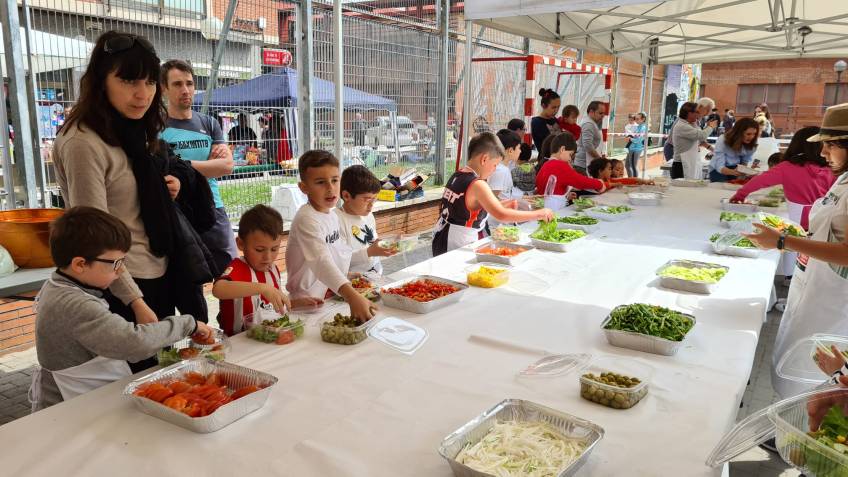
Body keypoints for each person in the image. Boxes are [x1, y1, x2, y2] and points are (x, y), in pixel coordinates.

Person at [51, 31, 216, 372]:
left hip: (161, 268)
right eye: (128, 81)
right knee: (136, 385)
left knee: (168, 375)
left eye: (150, 82)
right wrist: (136, 301)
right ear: (101, 80)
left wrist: (164, 187)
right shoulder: (83, 142)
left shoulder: (135, 128)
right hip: (123, 286)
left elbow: (138, 188)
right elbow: (94, 236)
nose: (142, 94)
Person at [30, 207, 213, 410]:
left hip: (83, 395)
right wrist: (188, 324)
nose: (120, 272)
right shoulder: (75, 305)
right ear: (80, 264)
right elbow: (134, 343)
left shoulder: (58, 283)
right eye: (116, 263)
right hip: (72, 406)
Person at [743, 103, 848, 401]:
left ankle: (801, 423)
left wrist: (783, 242)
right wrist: (799, 238)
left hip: (833, 300)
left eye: (830, 145)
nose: (823, 152)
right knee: (796, 363)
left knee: (813, 378)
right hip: (813, 285)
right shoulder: (842, 178)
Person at [160, 59, 237, 274]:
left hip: (212, 206)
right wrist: (209, 165)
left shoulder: (209, 123)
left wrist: (178, 165)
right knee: (187, 279)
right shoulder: (156, 127)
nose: (185, 90)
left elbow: (226, 166)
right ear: (164, 88)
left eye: (189, 83)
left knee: (231, 274)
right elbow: (158, 169)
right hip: (177, 210)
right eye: (177, 84)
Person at [285, 150, 377, 321]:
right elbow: (321, 261)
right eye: (320, 182)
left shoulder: (331, 214)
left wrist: (344, 275)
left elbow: (335, 252)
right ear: (304, 187)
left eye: (335, 180)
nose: (330, 188)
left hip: (326, 297)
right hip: (304, 303)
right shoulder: (307, 218)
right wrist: (351, 296)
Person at [432, 132, 553, 256]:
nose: (494, 170)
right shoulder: (478, 184)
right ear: (484, 159)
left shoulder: (458, 174)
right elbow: (501, 214)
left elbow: (475, 207)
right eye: (495, 165)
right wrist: (540, 214)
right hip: (458, 243)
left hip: (443, 236)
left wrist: (505, 203)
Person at [213, 205, 322, 336]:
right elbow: (218, 289)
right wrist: (262, 288)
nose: (268, 257)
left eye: (274, 249)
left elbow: (269, 307)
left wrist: (295, 304)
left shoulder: (272, 270)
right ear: (241, 244)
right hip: (238, 341)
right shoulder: (238, 267)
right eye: (259, 250)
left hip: (266, 337)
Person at [731, 126, 834, 230]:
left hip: (799, 222)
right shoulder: (833, 169)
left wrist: (740, 195)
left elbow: (758, 181)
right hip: (825, 220)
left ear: (796, 144)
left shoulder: (787, 167)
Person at [336, 165, 397, 276]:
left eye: (375, 199)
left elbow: (372, 242)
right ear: (346, 196)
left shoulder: (368, 215)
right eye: (367, 200)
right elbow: (338, 261)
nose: (371, 205)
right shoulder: (336, 221)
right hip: (352, 281)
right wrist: (369, 252)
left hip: (375, 275)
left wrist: (390, 242)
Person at [536, 133, 606, 196]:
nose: (570, 159)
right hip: (555, 205)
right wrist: (599, 184)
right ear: (562, 149)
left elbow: (551, 189)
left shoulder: (546, 164)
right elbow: (580, 181)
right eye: (570, 154)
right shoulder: (560, 165)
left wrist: (566, 196)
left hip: (544, 203)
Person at [671, 102, 717, 179]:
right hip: (681, 165)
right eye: (697, 112)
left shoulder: (692, 124)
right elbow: (701, 135)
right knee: (683, 186)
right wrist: (711, 127)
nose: (699, 115)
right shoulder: (682, 126)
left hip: (690, 162)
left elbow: (701, 140)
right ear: (690, 113)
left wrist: (713, 149)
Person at [665, 97, 716, 167]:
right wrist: (710, 127)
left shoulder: (695, 120)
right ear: (701, 107)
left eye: (710, 110)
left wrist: (712, 149)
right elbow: (700, 136)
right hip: (673, 148)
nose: (709, 113)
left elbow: (699, 138)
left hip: (685, 156)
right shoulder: (684, 121)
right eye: (707, 110)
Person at [708, 117, 759, 182]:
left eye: (754, 134)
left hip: (735, 167)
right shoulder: (723, 140)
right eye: (748, 134)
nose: (752, 137)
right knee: (722, 186)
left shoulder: (753, 143)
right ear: (738, 132)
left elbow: (744, 162)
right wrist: (734, 172)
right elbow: (719, 166)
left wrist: (742, 173)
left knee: (738, 185)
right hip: (718, 169)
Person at [574, 101, 606, 175]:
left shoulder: (590, 122)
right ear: (591, 112)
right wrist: (600, 159)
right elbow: (588, 145)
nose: (603, 116)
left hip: (584, 162)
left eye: (604, 113)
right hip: (583, 164)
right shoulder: (588, 124)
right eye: (600, 113)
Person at [489, 129, 521, 197]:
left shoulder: (502, 168)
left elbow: (504, 195)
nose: (520, 151)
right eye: (519, 148)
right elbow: (493, 199)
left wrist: (523, 198)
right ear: (510, 151)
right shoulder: (501, 171)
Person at [625, 112, 647, 177]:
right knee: (627, 165)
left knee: (633, 166)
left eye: (637, 119)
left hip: (637, 149)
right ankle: (631, 179)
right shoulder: (637, 127)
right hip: (631, 148)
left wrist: (630, 139)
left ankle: (635, 180)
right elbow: (634, 136)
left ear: (643, 119)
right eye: (635, 119)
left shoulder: (643, 128)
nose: (635, 120)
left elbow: (639, 140)